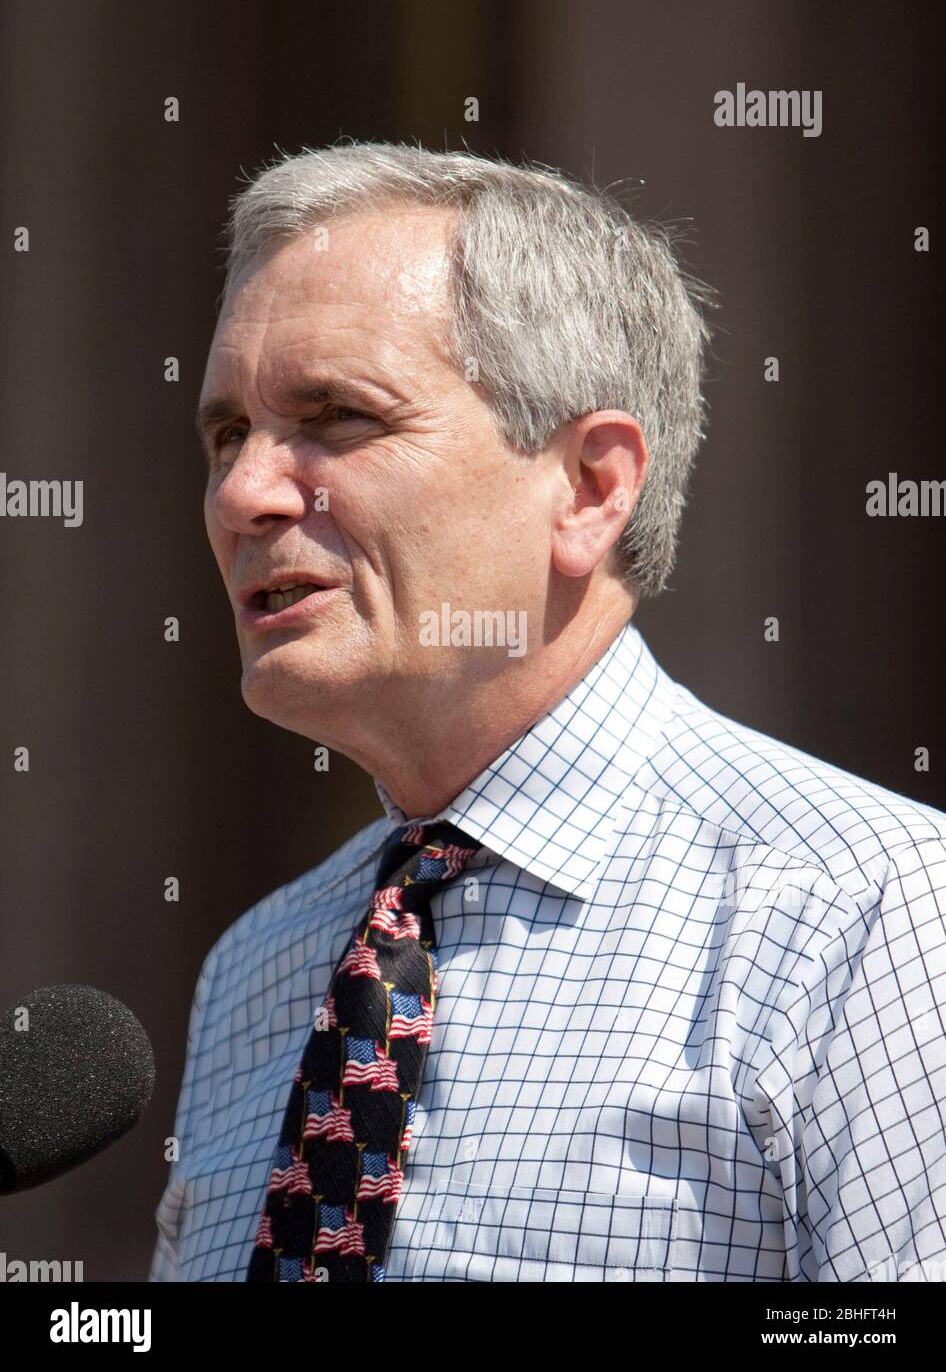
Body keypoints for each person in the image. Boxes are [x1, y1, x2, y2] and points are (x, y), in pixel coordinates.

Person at [149, 141, 946, 1283]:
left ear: (588, 486)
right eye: (228, 434)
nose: (242, 493)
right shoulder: (257, 965)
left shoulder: (867, 915)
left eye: (334, 416)